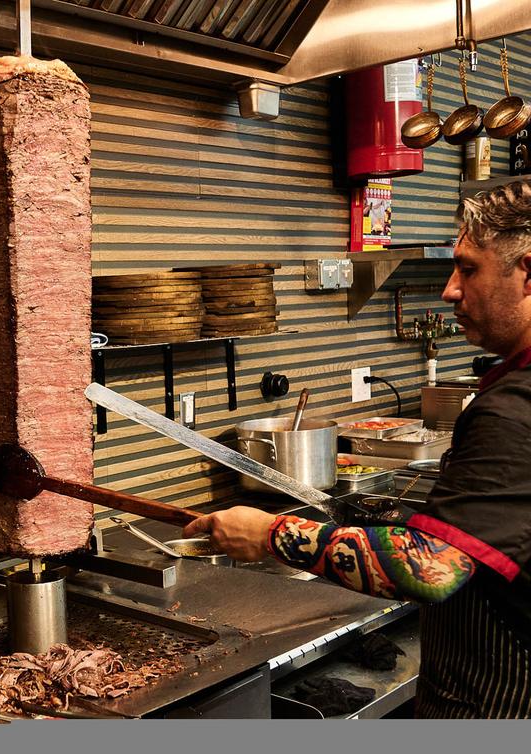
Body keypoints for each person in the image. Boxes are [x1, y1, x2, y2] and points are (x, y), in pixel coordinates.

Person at [185, 180, 531, 718]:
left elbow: (430, 568)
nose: (449, 291)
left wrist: (269, 533)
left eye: (468, 269)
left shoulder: (513, 410)